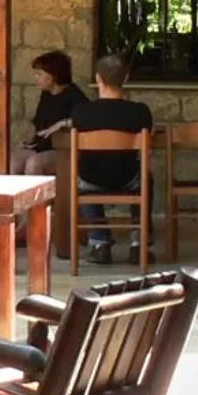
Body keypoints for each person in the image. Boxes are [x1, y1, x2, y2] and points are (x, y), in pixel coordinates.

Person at [69, 54, 154, 263]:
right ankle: (138, 243)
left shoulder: (81, 112)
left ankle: (100, 242)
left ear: (98, 79)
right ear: (125, 79)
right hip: (127, 179)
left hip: (91, 181)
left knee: (82, 175)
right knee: (146, 178)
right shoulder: (140, 112)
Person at [17, 50, 86, 177]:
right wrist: (29, 142)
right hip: (42, 148)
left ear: (53, 76)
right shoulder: (46, 94)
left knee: (34, 164)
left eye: (39, 74)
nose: (36, 78)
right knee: (11, 161)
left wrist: (62, 125)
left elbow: (85, 122)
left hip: (65, 151)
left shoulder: (75, 96)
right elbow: (40, 126)